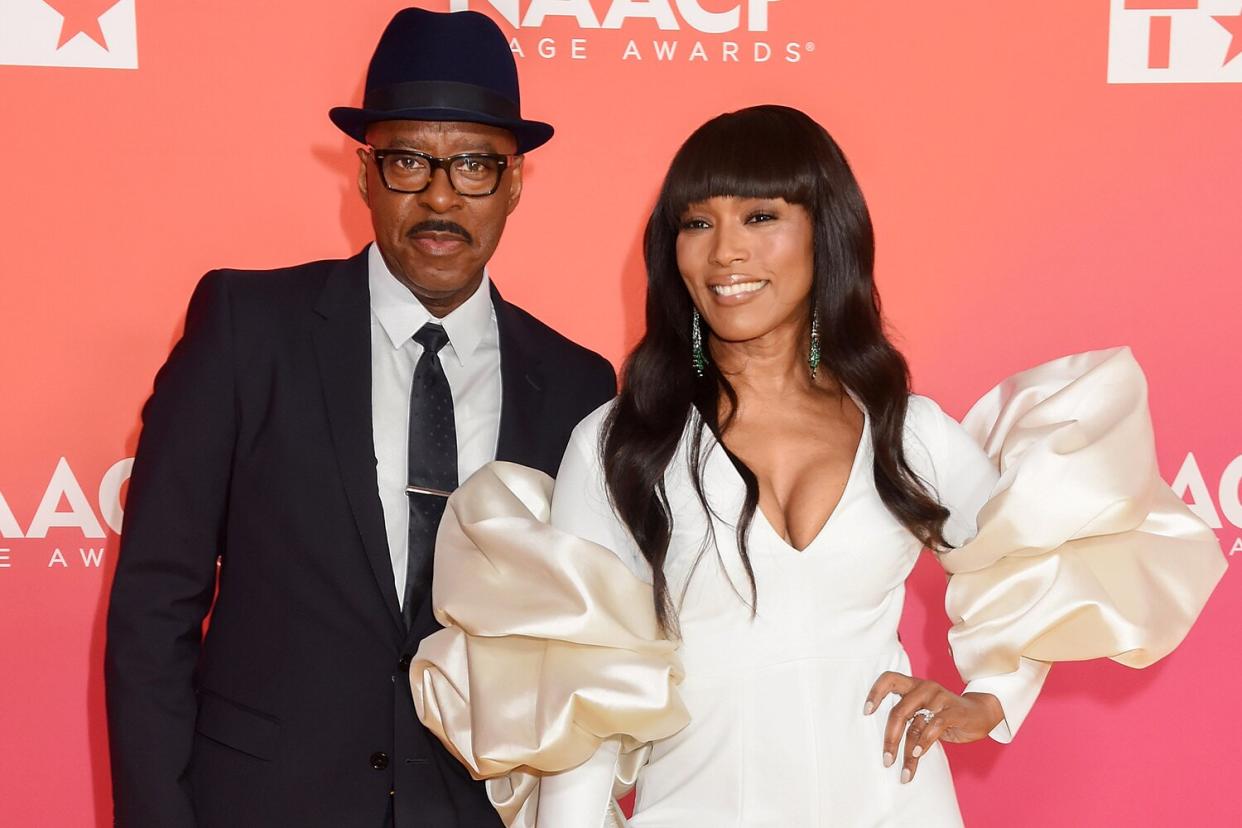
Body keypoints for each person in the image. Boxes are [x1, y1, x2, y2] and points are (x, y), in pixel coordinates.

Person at [408, 105, 1225, 827]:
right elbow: (575, 705)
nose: (725, 252)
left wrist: (992, 700)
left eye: (761, 216)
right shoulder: (621, 444)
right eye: (697, 222)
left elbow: (1036, 558)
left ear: (824, 231)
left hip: (896, 806)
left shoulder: (908, 431)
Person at [104, 8, 615, 827]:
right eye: (410, 160)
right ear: (366, 173)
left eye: (476, 166)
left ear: (516, 182)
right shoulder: (246, 328)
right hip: (263, 804)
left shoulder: (579, 384)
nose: (440, 196)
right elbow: (154, 604)